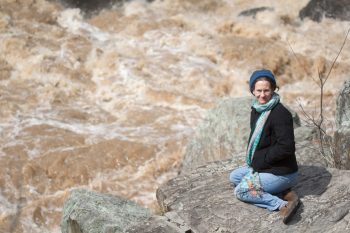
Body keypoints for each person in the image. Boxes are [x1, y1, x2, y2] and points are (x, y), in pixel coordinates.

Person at [229, 69, 299, 224]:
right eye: (258, 90)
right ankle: (283, 192)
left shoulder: (280, 114)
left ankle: (283, 204)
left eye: (266, 90)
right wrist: (257, 162)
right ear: (253, 90)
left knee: (241, 190)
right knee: (234, 177)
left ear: (273, 89)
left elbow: (286, 147)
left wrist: (261, 161)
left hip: (282, 172)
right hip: (265, 167)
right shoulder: (257, 109)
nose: (262, 95)